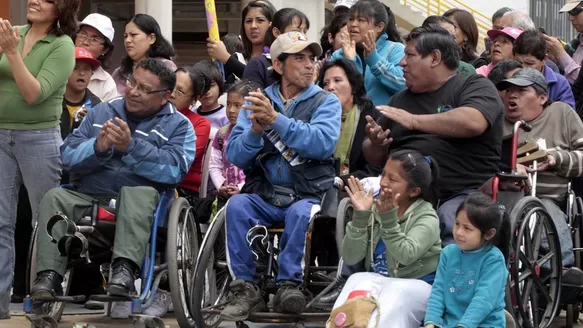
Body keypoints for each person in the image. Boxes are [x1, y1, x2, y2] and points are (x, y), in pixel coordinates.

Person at [29, 59, 195, 319]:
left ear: (164, 97)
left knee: (138, 193)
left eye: (144, 88)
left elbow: (174, 170)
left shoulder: (180, 126)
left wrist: (131, 149)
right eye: (132, 82)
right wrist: (98, 147)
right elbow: (68, 155)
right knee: (55, 196)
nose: (133, 91)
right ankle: (48, 275)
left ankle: (124, 271)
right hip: (91, 195)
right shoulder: (101, 112)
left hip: (143, 203)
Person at [219, 31, 341, 320]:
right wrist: (256, 132)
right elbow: (235, 154)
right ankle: (246, 288)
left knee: (301, 213)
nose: (310, 64)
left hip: (307, 192)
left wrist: (276, 120)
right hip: (266, 191)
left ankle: (290, 285)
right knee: (237, 205)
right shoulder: (257, 100)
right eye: (299, 58)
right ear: (277, 65)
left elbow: (322, 143)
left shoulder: (326, 102)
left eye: (312, 58)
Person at [362, 25, 504, 246]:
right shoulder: (400, 99)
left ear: (435, 58)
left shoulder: (474, 85)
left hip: (460, 191)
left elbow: (474, 122)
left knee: (451, 219)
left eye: (409, 55)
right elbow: (373, 156)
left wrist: (415, 121)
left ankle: (450, 279)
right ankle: (350, 277)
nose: (402, 62)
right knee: (361, 209)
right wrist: (376, 144)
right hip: (403, 191)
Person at [0, 0, 80, 318]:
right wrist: (10, 46)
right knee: (0, 223)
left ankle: (44, 301)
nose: (34, 0)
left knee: (44, 223)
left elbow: (34, 94)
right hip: (1, 136)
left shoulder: (62, 46)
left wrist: (11, 52)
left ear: (62, 9)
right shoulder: (13, 33)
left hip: (39, 139)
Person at [330, 150, 441, 328]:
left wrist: (389, 220)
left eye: (393, 179)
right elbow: (351, 257)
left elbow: (406, 255)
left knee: (388, 305)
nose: (383, 182)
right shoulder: (375, 207)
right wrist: (361, 216)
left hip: (418, 284)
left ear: (413, 191)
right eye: (383, 174)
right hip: (381, 279)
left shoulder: (427, 217)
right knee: (355, 282)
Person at [495, 68, 583, 281]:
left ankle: (562, 272)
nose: (512, 95)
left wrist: (556, 159)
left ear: (542, 97)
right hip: (503, 196)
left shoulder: (561, 113)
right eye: (508, 90)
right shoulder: (496, 122)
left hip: (547, 196)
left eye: (521, 90)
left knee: (545, 211)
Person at [424, 193, 510, 328]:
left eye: (467, 228)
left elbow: (484, 299)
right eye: (457, 224)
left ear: (489, 234)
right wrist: (431, 322)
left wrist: (464, 325)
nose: (458, 232)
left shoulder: (494, 260)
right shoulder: (448, 253)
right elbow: (438, 291)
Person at [330, 0, 406, 106]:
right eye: (351, 19)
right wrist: (350, 62)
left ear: (379, 26)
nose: (353, 24)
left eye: (361, 20)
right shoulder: (338, 55)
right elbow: (330, 92)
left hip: (383, 120)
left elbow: (403, 84)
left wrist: (374, 60)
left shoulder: (395, 49)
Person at [319, 58, 381, 179]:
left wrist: (344, 182)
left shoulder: (371, 117)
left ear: (353, 85)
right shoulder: (319, 118)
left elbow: (376, 167)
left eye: (337, 80)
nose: (330, 87)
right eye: (325, 83)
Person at [209, 80, 259, 209]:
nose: (231, 110)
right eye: (228, 104)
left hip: (250, 196)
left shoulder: (259, 135)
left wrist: (241, 187)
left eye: (238, 105)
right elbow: (215, 165)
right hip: (224, 195)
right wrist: (221, 186)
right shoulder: (221, 134)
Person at [206, 0, 276, 82]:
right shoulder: (238, 58)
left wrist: (226, 58)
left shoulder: (278, 59)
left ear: (271, 24)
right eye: (248, 21)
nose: (253, 26)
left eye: (260, 20)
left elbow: (256, 80)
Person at [172, 67, 212, 205]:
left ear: (194, 100)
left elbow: (182, 158)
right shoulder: (152, 113)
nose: (171, 94)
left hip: (183, 189)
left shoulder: (201, 124)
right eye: (170, 85)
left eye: (180, 91)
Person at [243, 8, 310, 88]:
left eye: (305, 31)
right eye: (296, 31)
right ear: (277, 32)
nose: (303, 36)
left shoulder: (309, 63)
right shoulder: (259, 64)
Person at [112, 14, 176, 95]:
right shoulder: (119, 73)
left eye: (133, 35)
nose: (127, 40)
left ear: (151, 38)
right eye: (125, 36)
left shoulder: (166, 67)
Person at [513, 30, 575, 108]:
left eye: (529, 64)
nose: (523, 69)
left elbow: (567, 116)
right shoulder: (507, 77)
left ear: (544, 60)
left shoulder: (560, 84)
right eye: (518, 63)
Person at [75, 13, 118, 101]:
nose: (86, 42)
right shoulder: (58, 65)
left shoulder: (107, 84)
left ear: (105, 49)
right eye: (82, 35)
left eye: (94, 39)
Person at [61, 48, 102, 139]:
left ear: (92, 74)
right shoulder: (53, 100)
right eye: (75, 68)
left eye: (86, 69)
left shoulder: (97, 105)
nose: (82, 73)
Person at [546, 1, 583, 84]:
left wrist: (561, 54)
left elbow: (580, 82)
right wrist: (556, 58)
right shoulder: (576, 43)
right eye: (569, 13)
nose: (570, 18)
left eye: (575, 11)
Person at [192, 60, 230, 131]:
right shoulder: (192, 114)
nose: (207, 92)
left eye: (212, 85)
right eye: (203, 87)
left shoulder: (227, 115)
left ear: (219, 86)